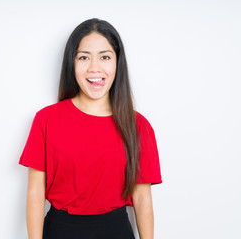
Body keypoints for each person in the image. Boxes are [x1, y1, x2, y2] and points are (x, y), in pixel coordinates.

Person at [19, 18, 162, 239]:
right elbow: (35, 194)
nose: (94, 68)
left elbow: (143, 197)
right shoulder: (46, 119)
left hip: (117, 232)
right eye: (84, 57)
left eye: (105, 57)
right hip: (59, 231)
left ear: (117, 63)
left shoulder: (138, 126)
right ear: (72, 63)